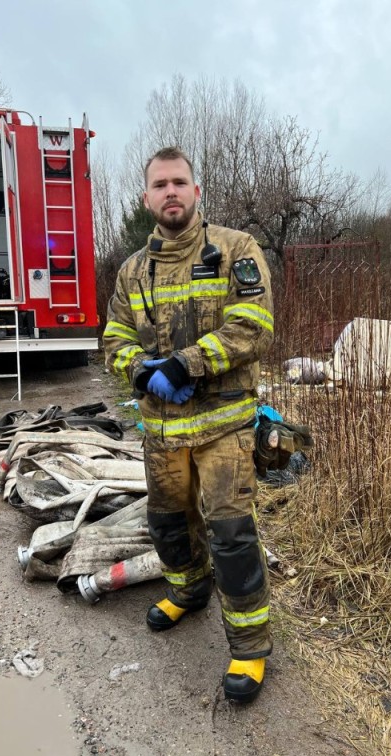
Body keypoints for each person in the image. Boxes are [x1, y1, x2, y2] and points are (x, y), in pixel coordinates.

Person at [103, 146, 274, 703]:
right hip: (161, 432)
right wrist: (140, 370)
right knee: (170, 526)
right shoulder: (132, 270)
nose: (170, 191)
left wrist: (185, 363)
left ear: (196, 192)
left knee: (231, 535)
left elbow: (253, 323)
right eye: (160, 184)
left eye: (180, 182)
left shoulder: (235, 250)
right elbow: (115, 337)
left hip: (223, 425)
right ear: (147, 197)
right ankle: (189, 591)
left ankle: (249, 649)